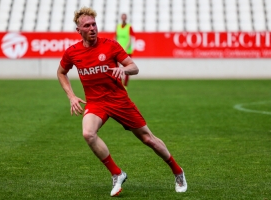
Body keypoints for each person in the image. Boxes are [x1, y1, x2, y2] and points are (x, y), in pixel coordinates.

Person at [57, 7, 187, 197]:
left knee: (148, 139)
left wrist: (124, 70)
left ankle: (178, 171)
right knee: (88, 133)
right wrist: (71, 95)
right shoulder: (72, 52)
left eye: (94, 24)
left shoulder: (110, 45)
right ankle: (117, 174)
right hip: (95, 102)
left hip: (119, 100)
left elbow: (134, 67)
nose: (93, 28)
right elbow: (61, 72)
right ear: (79, 30)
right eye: (87, 25)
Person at [115, 13, 135, 89]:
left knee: (127, 68)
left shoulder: (129, 27)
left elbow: (130, 39)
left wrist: (125, 49)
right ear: (121, 18)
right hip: (118, 51)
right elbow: (116, 37)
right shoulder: (118, 27)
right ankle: (118, 84)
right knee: (116, 67)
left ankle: (125, 85)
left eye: (124, 17)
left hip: (127, 51)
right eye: (122, 17)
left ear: (126, 18)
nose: (123, 18)